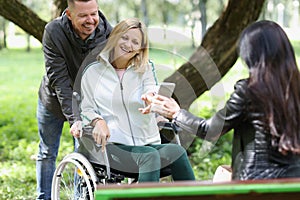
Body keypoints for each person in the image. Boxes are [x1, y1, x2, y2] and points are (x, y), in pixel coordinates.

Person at [141, 20, 300, 180]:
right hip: (294, 181)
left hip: (254, 183)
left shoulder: (250, 91)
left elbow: (210, 130)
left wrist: (176, 113)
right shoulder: (294, 89)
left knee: (219, 176)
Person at [71, 18, 195, 182]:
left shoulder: (145, 69)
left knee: (177, 151)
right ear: (115, 37)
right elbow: (86, 109)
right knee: (149, 156)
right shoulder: (93, 72)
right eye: (124, 38)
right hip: (112, 146)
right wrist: (97, 121)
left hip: (147, 142)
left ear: (140, 49)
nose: (128, 45)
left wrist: (152, 100)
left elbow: (150, 90)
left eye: (135, 42)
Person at [36, 0, 112, 199]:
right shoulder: (53, 31)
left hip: (87, 103)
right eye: (83, 16)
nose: (91, 20)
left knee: (82, 152)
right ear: (69, 14)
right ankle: (44, 197)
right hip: (52, 100)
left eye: (93, 13)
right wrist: (74, 118)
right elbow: (60, 80)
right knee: (47, 152)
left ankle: (79, 197)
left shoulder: (108, 34)